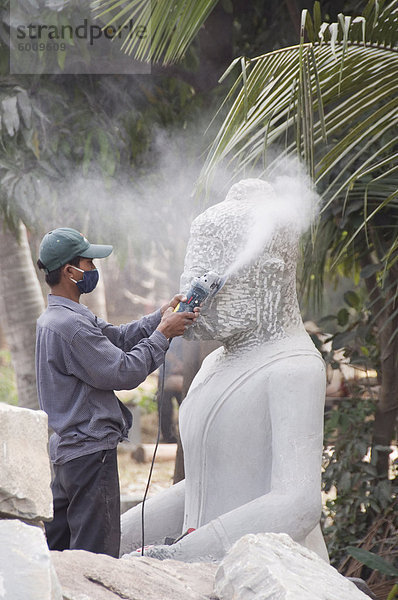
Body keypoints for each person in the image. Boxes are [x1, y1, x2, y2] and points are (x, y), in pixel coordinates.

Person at [120, 178, 328, 563]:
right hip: (203, 563)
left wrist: (179, 555)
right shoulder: (215, 364)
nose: (193, 296)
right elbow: (202, 486)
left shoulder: (294, 370)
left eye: (208, 281)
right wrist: (122, 533)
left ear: (268, 276)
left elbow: (296, 505)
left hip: (272, 573)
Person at [35, 227, 199, 558]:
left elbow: (117, 338)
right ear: (71, 271)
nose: (94, 269)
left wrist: (160, 317)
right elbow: (122, 371)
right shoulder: (72, 327)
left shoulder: (57, 318)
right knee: (96, 557)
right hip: (90, 456)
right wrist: (163, 336)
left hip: (68, 454)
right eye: (89, 262)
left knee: (61, 553)